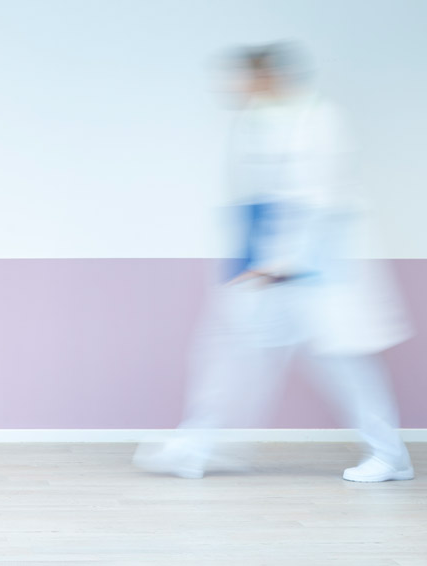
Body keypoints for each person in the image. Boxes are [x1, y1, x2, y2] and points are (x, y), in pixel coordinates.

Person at [134, 43, 414, 482]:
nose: (235, 88)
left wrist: (281, 262)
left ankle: (390, 455)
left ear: (268, 77)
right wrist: (258, 261)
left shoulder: (320, 120)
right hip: (273, 268)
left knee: (344, 368)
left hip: (317, 272)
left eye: (244, 79)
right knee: (228, 352)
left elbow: (321, 198)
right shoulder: (256, 122)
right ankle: (196, 446)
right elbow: (255, 198)